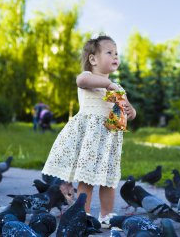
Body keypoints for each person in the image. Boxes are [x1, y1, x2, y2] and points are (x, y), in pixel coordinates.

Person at [42, 35, 136, 228]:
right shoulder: (88, 78)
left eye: (117, 53)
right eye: (109, 52)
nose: (115, 56)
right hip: (91, 138)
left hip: (110, 139)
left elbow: (129, 111)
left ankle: (106, 215)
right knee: (87, 179)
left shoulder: (117, 87)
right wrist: (108, 85)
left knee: (109, 180)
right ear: (93, 59)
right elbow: (81, 80)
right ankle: (82, 215)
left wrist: (130, 110)